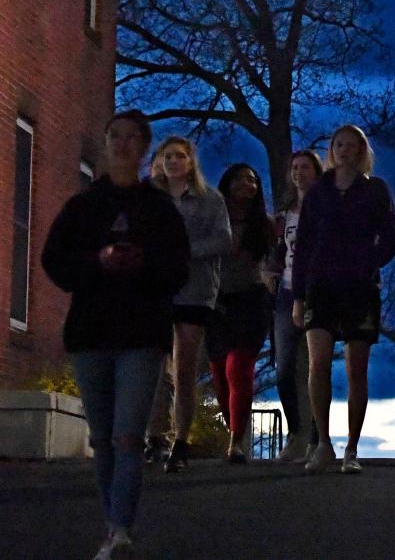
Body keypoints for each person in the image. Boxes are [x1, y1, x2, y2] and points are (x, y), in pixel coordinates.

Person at [41, 109, 190, 560]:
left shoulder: (159, 209)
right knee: (103, 437)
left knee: (128, 436)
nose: (123, 145)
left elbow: (178, 269)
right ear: (106, 144)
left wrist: (140, 264)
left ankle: (121, 528)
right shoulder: (84, 207)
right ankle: (111, 524)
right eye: (115, 137)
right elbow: (55, 261)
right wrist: (97, 263)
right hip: (91, 331)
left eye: (131, 138)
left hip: (142, 334)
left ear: (145, 148)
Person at [292, 125, 395, 475]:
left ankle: (352, 447)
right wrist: (298, 295)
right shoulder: (319, 192)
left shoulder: (374, 190)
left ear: (361, 150)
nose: (344, 150)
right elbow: (303, 245)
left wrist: (368, 262)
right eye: (338, 144)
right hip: (320, 285)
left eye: (351, 145)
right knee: (318, 362)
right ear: (331, 149)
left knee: (357, 367)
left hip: (359, 288)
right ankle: (322, 442)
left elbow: (390, 238)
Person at [145, 136, 232, 474]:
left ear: (191, 162)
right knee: (155, 365)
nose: (173, 162)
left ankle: (181, 440)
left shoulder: (210, 200)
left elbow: (223, 240)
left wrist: (183, 250)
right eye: (167, 156)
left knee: (184, 368)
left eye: (180, 156)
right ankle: (156, 436)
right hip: (155, 289)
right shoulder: (149, 197)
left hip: (194, 290)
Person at [207, 163, 274, 462]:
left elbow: (275, 263)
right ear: (228, 183)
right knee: (219, 373)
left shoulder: (265, 224)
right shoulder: (214, 219)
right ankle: (235, 429)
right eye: (239, 178)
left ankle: (236, 441)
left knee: (239, 366)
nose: (246, 184)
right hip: (216, 301)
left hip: (252, 300)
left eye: (252, 180)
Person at [269, 149, 323, 462]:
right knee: (285, 366)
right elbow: (276, 251)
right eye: (295, 168)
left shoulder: (325, 208)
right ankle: (296, 432)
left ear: (316, 172)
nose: (299, 172)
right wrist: (270, 269)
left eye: (305, 167)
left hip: (317, 291)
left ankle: (318, 437)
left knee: (316, 365)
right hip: (286, 293)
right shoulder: (284, 214)